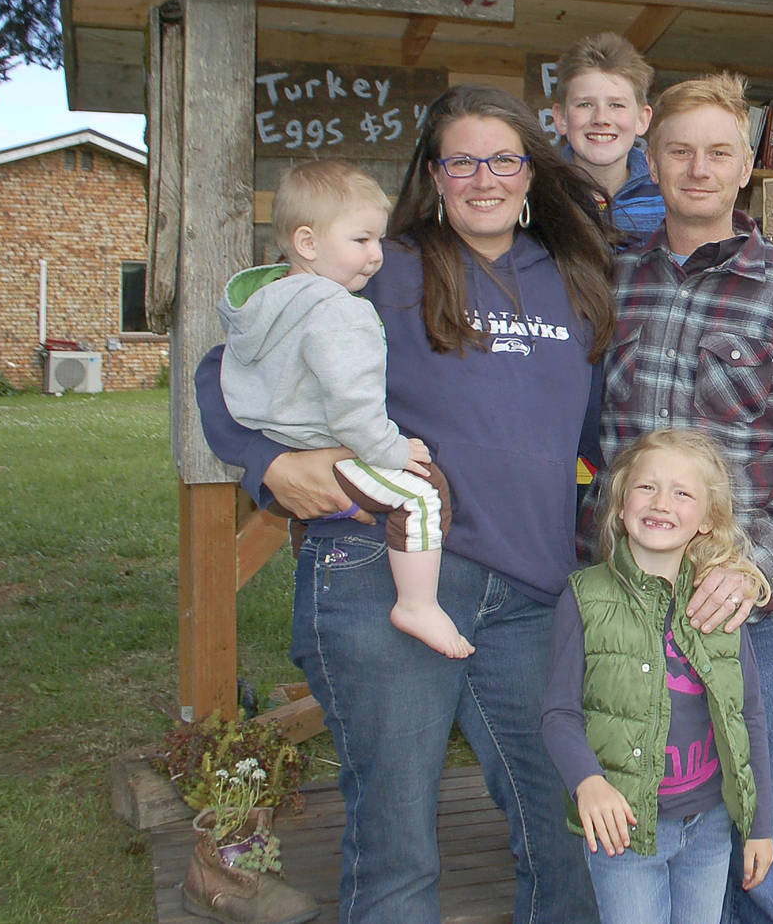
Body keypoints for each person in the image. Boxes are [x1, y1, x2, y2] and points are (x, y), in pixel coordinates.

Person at [193, 85, 617, 924]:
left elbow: (601, 426)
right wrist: (268, 461)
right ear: (435, 173)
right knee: (397, 841)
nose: (484, 178)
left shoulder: (573, 278)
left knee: (564, 822)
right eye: (462, 160)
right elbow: (230, 369)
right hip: (385, 578)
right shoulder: (384, 265)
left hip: (533, 589)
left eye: (504, 159)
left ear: (531, 172)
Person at [599, 72, 773, 924]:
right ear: (651, 159)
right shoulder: (607, 286)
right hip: (623, 609)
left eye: (719, 151)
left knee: (748, 820)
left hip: (748, 613)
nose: (698, 168)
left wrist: (752, 565)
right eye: (680, 151)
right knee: (618, 811)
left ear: (748, 165)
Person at [217, 160, 469, 659]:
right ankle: (416, 604)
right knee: (423, 493)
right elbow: (355, 409)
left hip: (287, 448)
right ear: (308, 243)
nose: (377, 256)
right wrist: (392, 450)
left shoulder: (269, 300)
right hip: (327, 451)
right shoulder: (338, 312)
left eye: (379, 239)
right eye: (362, 241)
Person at [542, 429, 773, 924]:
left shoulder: (722, 604)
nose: (661, 502)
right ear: (621, 504)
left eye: (682, 492)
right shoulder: (584, 597)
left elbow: (749, 719)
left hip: (709, 826)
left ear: (708, 521)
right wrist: (588, 782)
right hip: (624, 829)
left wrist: (760, 828)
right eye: (646, 487)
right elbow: (560, 713)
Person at [553, 32, 665, 248]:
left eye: (616, 105)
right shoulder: (540, 190)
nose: (601, 119)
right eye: (585, 104)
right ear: (560, 118)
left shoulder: (666, 193)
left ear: (642, 119)